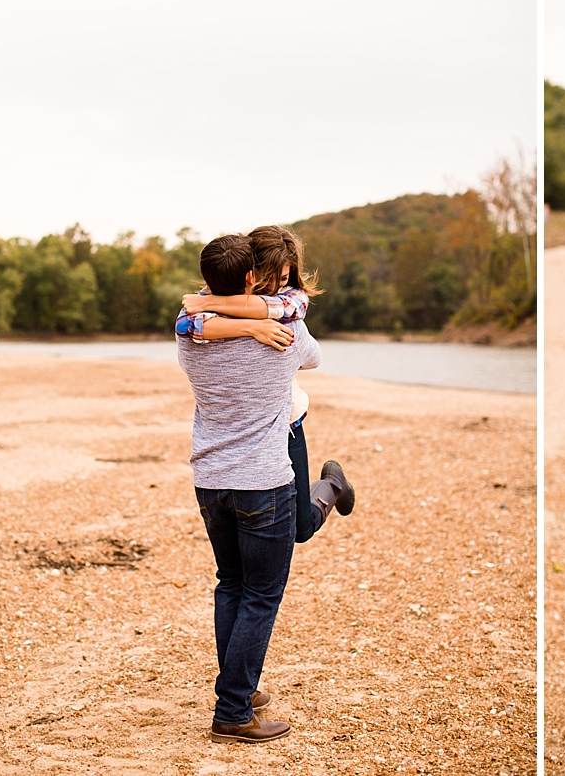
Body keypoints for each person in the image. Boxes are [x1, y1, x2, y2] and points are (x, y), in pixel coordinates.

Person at [177, 233, 321, 744]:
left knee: (231, 585)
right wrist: (263, 324)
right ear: (250, 280)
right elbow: (314, 358)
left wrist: (235, 317)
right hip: (263, 482)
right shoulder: (287, 330)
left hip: (210, 480)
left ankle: (243, 689)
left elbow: (190, 317)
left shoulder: (189, 336)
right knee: (261, 595)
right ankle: (234, 711)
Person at [177, 225, 354, 544]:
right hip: (236, 434)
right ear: (250, 272)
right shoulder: (210, 303)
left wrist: (260, 323)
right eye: (267, 278)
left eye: (283, 280)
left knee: (300, 529)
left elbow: (311, 355)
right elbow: (186, 324)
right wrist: (251, 327)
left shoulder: (289, 305)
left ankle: (332, 485)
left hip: (283, 424)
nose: (274, 287)